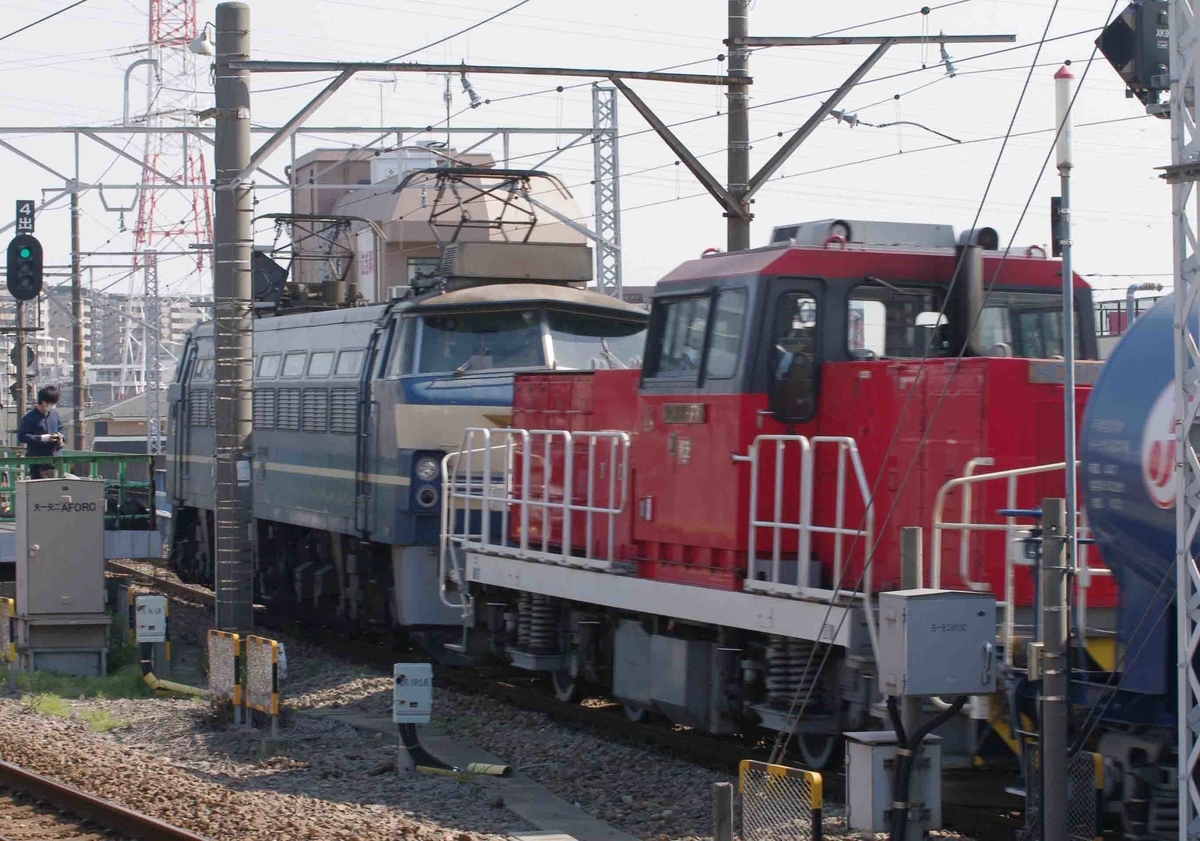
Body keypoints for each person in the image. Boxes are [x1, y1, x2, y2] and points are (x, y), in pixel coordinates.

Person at [18, 385, 64, 479]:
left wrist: (61, 436)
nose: (53, 406)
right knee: (38, 487)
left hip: (55, 458)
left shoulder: (55, 415)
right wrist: (42, 438)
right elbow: (22, 436)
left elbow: (62, 429)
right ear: (43, 402)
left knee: (57, 487)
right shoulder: (30, 418)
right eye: (52, 403)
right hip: (37, 460)